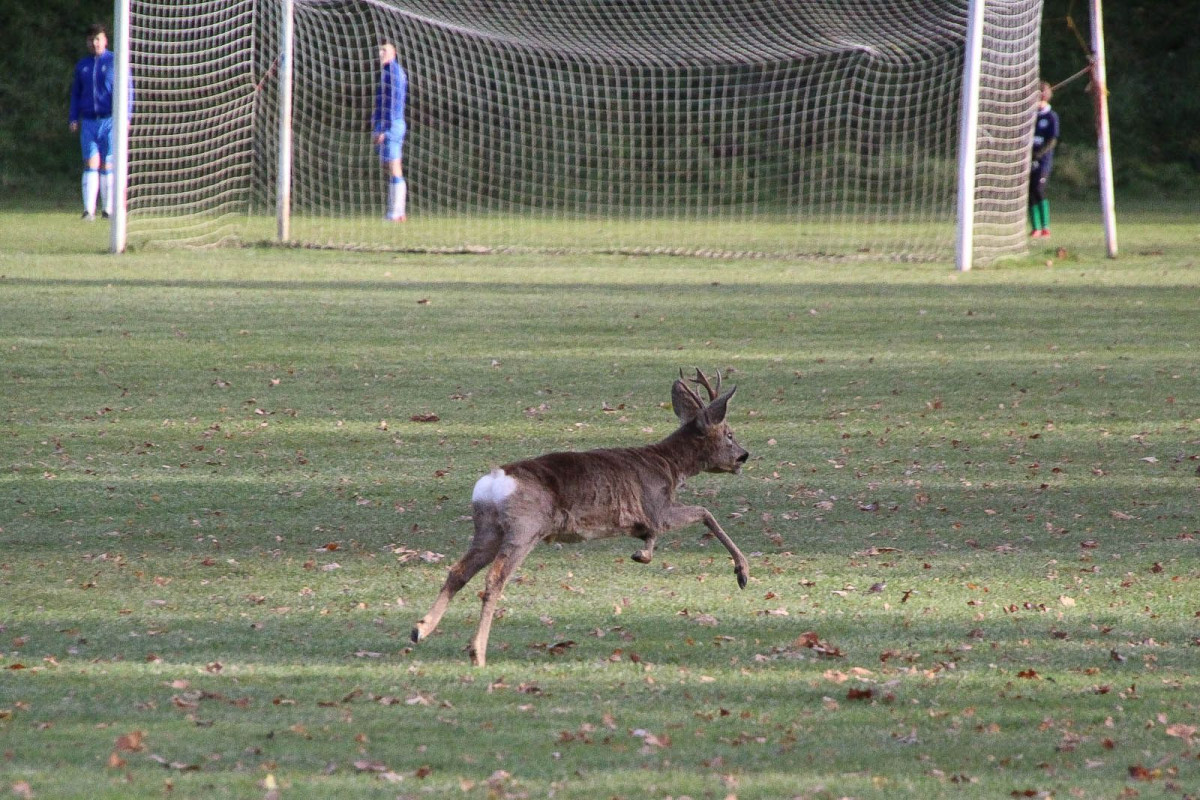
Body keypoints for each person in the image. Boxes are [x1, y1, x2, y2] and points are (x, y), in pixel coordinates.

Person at [69, 23, 118, 221]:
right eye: (91, 39)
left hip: (109, 121)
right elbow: (76, 94)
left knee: (108, 163)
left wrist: (126, 117)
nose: (94, 43)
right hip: (89, 122)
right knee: (90, 163)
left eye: (98, 39)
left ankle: (108, 209)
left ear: (105, 40)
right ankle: (89, 210)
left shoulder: (115, 61)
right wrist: (73, 116)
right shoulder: (83, 65)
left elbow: (127, 90)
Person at [373, 42, 408, 222]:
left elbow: (391, 104)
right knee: (392, 166)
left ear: (393, 53)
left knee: (393, 167)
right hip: (393, 123)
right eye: (380, 50)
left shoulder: (393, 73)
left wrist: (384, 131)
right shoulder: (390, 72)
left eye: (384, 50)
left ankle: (395, 213)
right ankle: (399, 212)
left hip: (392, 123)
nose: (380, 53)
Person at [1029, 80, 1060, 239]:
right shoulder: (1030, 117)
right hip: (1028, 160)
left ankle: (1045, 227)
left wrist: (1039, 154)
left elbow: (1052, 140)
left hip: (1043, 161)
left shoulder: (1051, 117)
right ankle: (1035, 228)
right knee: (1030, 193)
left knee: (1039, 190)